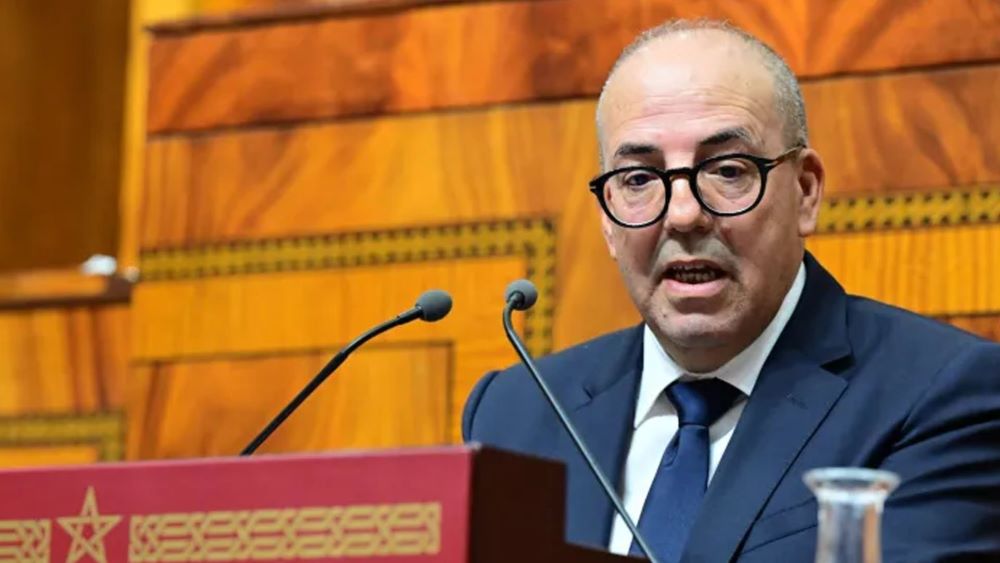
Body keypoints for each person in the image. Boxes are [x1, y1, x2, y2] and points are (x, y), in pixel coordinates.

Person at [462, 19, 1000, 563]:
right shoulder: (516, 411)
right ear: (606, 218)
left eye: (727, 170)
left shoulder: (944, 398)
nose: (683, 215)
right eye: (639, 180)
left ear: (805, 191)